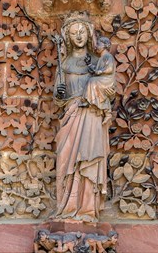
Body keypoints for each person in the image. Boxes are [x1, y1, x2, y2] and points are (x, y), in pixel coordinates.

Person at [53, 12, 113, 222]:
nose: (78, 36)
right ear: (68, 37)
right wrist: (60, 95)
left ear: (89, 34)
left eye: (81, 32)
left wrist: (92, 90)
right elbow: (58, 97)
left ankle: (87, 209)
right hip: (70, 116)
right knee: (66, 161)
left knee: (89, 159)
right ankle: (67, 207)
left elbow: (109, 85)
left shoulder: (97, 62)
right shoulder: (64, 62)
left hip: (90, 115)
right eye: (73, 33)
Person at [79, 36, 115, 123]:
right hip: (102, 79)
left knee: (92, 81)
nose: (96, 46)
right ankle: (106, 112)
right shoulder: (101, 58)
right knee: (97, 87)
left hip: (107, 80)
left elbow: (110, 69)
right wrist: (89, 64)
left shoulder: (108, 56)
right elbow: (95, 70)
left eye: (98, 44)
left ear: (105, 46)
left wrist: (100, 71)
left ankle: (87, 100)